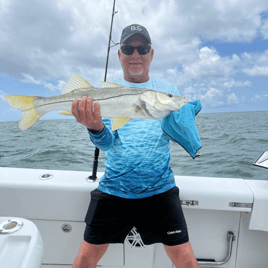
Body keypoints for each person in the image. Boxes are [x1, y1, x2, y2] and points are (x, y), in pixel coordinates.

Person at [72, 24, 200, 268]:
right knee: (85, 261)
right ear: (119, 55)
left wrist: (185, 125)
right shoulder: (107, 92)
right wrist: (95, 127)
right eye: (128, 48)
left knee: (186, 262)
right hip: (114, 188)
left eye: (143, 48)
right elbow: (108, 143)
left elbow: (176, 136)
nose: (135, 54)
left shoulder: (167, 91)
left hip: (160, 188)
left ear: (152, 54)